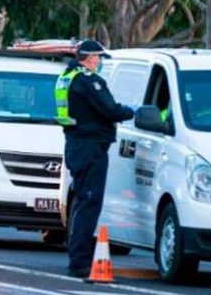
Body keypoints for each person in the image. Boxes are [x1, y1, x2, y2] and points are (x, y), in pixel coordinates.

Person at [55, 40, 135, 277]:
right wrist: (132, 110)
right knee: (89, 202)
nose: (99, 62)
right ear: (90, 58)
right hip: (90, 147)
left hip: (76, 144)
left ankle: (78, 256)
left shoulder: (67, 77)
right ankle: (80, 261)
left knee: (82, 201)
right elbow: (110, 110)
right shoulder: (88, 81)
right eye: (98, 57)